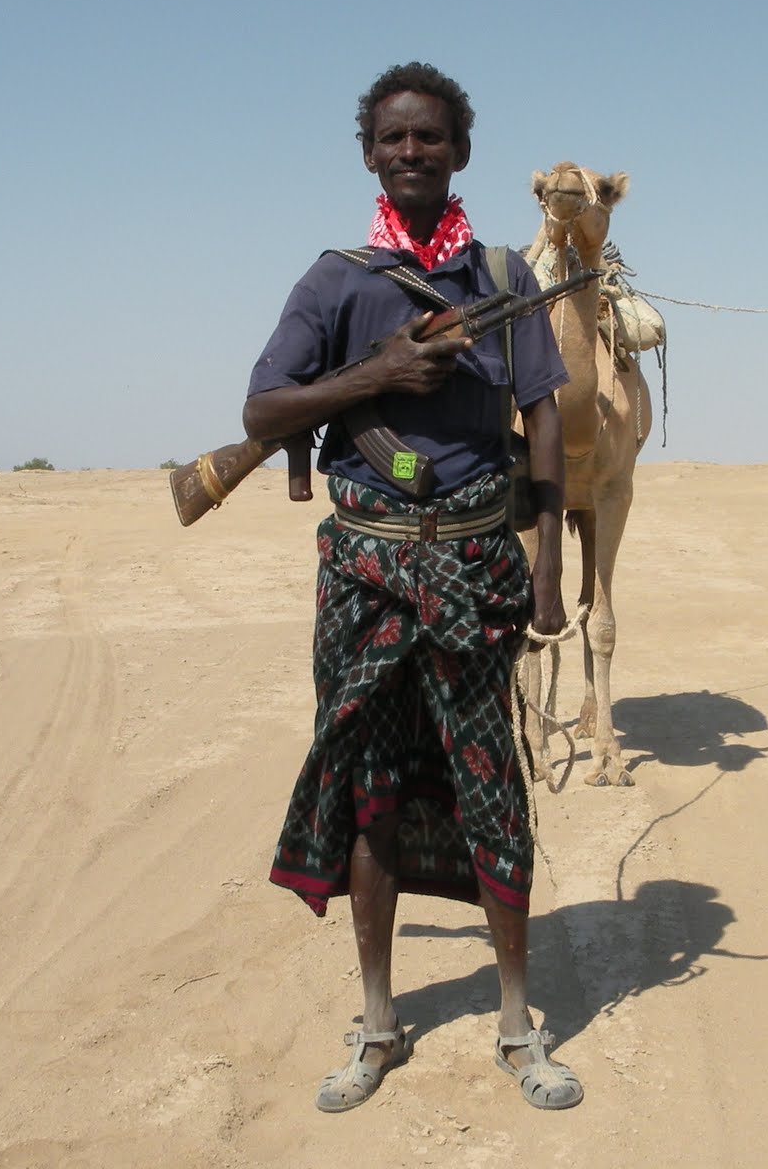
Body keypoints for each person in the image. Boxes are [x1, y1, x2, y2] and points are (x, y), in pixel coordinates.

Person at [243, 61, 583, 1112]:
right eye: (391, 138)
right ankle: (380, 1021)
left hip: (479, 565)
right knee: (371, 796)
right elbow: (263, 413)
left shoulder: (504, 274)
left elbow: (545, 417)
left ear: (457, 151)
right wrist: (378, 376)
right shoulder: (335, 279)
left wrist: (549, 568)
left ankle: (518, 1025)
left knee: (491, 790)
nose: (409, 152)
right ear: (368, 153)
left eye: (427, 137)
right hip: (366, 572)